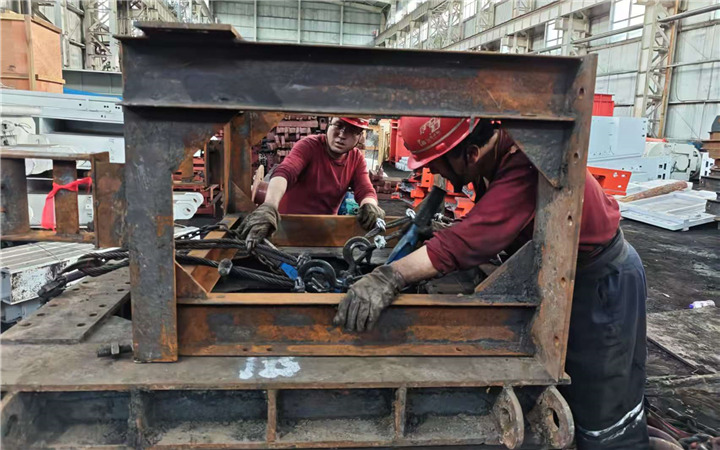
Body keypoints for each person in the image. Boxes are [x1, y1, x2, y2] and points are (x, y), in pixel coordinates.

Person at [333, 116, 649, 450]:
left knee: (602, 406)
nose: (435, 172)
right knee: (562, 380)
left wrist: (390, 276)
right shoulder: (496, 155)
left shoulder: (528, 162)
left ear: (471, 154)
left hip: (600, 283)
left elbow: (471, 241)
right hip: (557, 277)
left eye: (439, 165)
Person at [239, 117, 385, 248]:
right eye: (338, 126)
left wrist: (370, 205)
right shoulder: (309, 146)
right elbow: (285, 171)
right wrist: (269, 206)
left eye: (352, 130)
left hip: (325, 231)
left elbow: (365, 189)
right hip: (285, 229)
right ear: (329, 124)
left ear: (359, 136)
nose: (342, 135)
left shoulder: (356, 159)